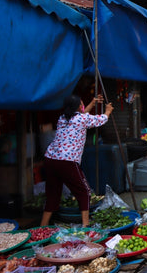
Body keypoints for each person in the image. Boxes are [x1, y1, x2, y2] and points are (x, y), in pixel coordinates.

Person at [41, 94, 113, 227]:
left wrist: (92, 103)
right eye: (82, 104)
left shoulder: (62, 118)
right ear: (79, 107)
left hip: (50, 159)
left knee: (52, 195)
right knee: (84, 191)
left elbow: (81, 115)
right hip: (67, 161)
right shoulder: (82, 119)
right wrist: (107, 111)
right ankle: (86, 225)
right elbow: (101, 119)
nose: (83, 106)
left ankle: (42, 226)